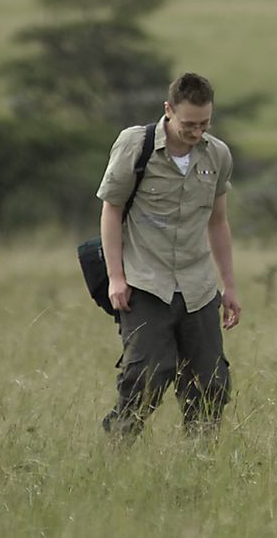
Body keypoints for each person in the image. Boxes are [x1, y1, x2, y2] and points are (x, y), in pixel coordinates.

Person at [97, 72, 240, 439]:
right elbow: (111, 210)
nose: (197, 132)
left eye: (205, 123)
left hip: (197, 285)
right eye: (189, 124)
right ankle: (118, 451)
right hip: (145, 281)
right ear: (168, 110)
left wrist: (229, 287)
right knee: (146, 374)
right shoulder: (135, 144)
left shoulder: (218, 154)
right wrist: (116, 277)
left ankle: (200, 458)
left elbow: (218, 223)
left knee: (211, 382)